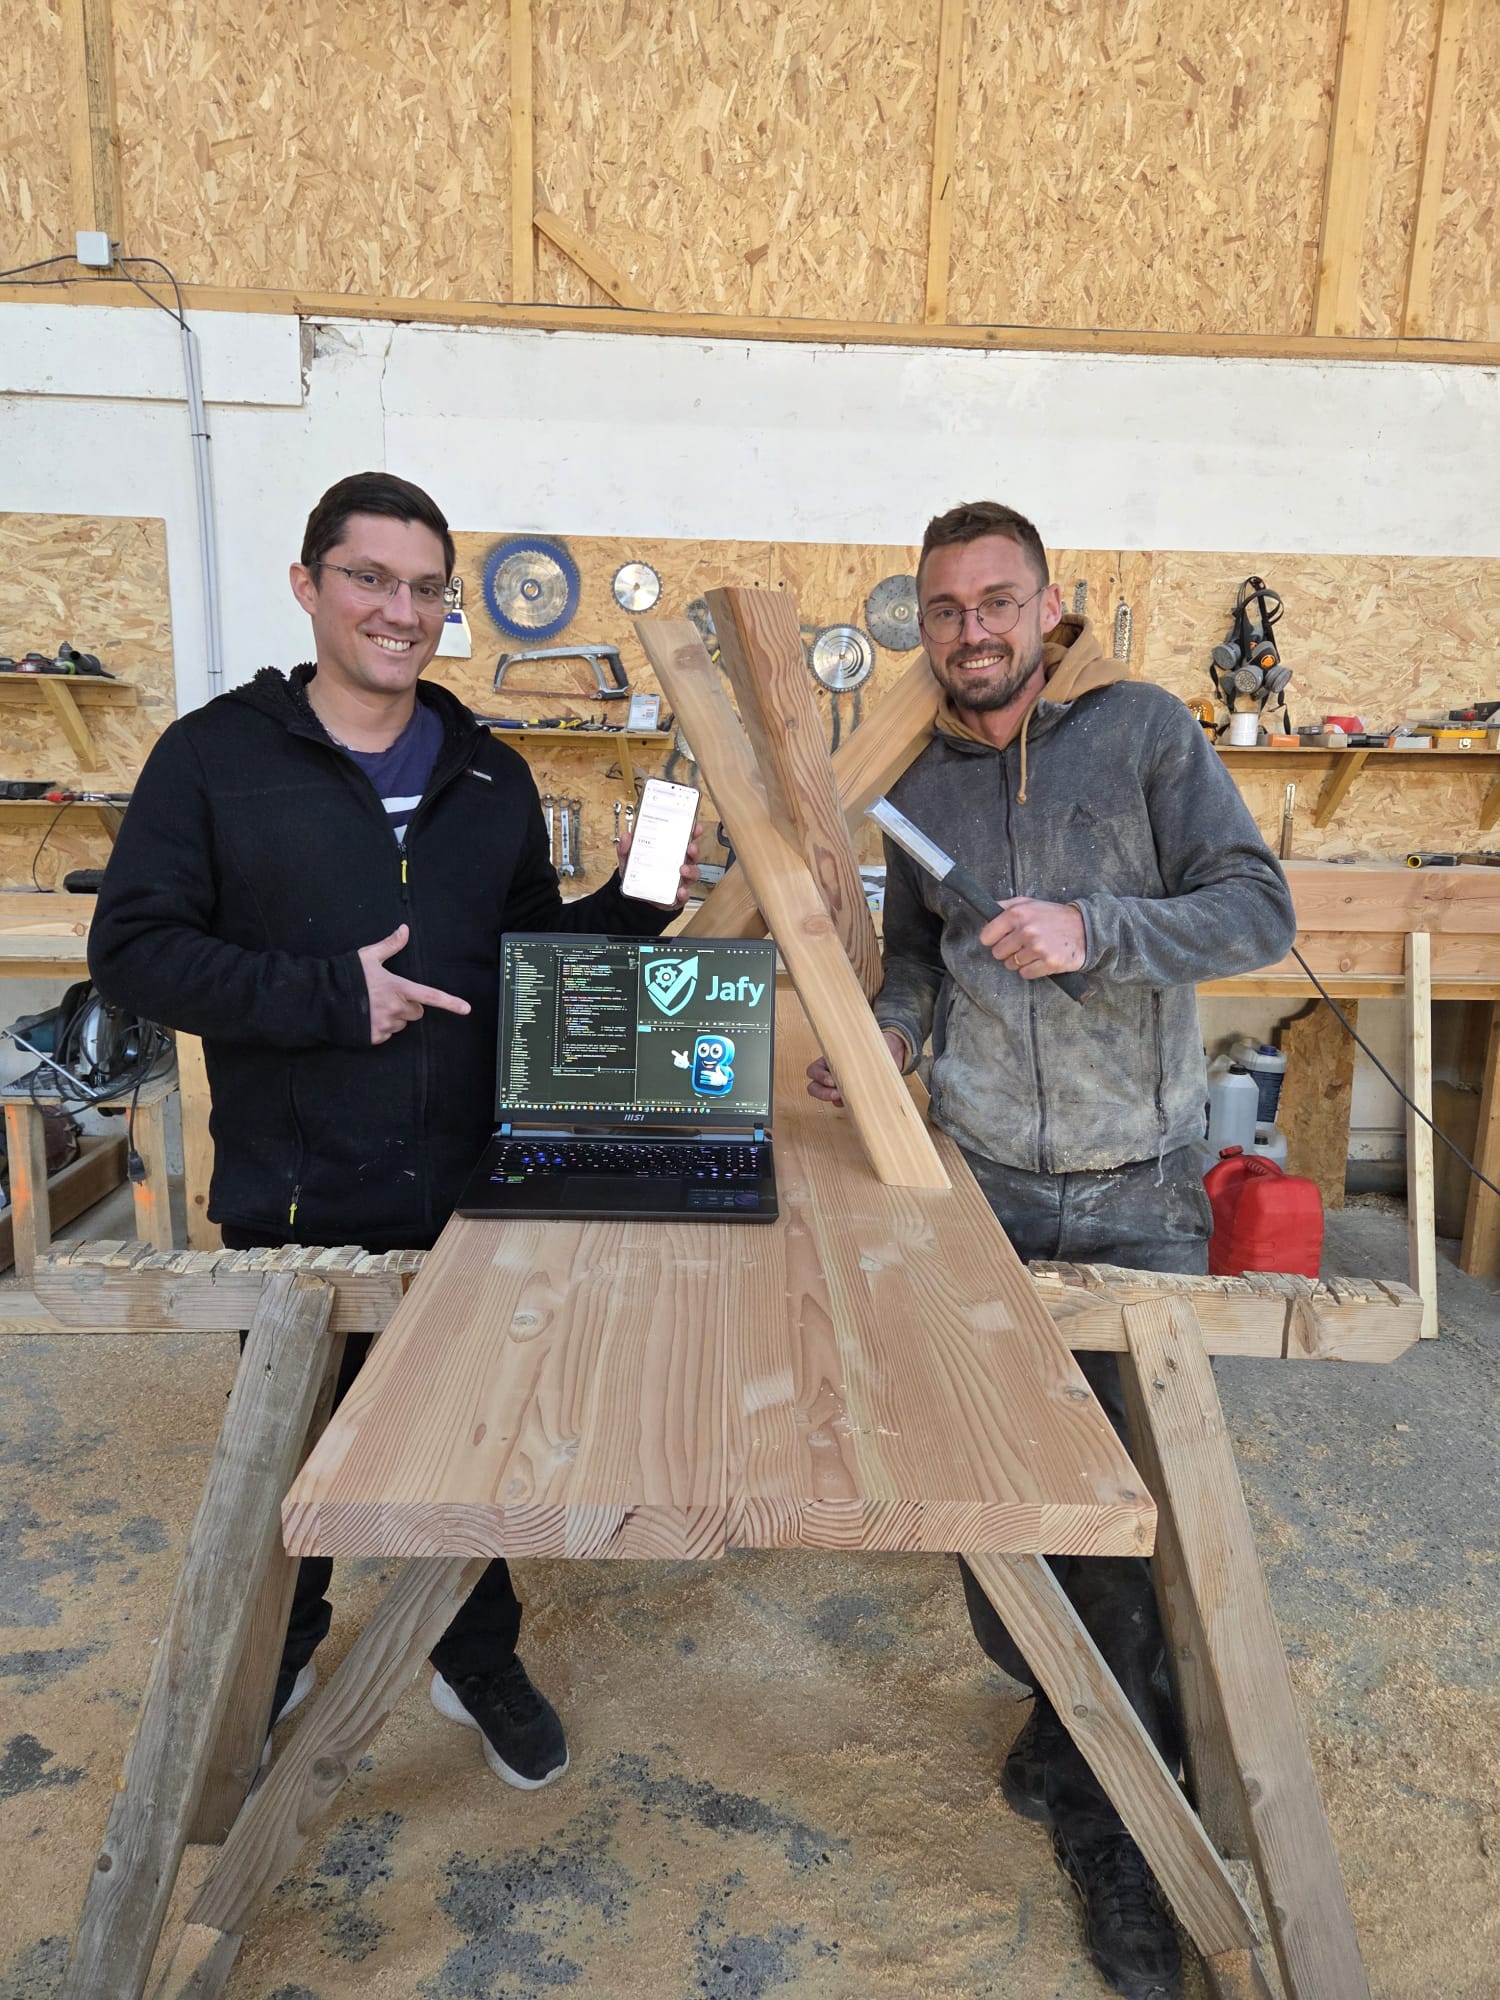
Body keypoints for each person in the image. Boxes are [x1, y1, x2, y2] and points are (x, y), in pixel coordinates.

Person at [89, 471, 699, 1792]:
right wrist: (322, 998)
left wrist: (638, 909)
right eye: (371, 579)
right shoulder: (214, 759)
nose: (400, 610)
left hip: (466, 1198)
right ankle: (286, 1649)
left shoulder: (489, 773)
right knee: (296, 1472)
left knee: (467, 1451)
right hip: (295, 1199)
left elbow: (528, 956)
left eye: (426, 588)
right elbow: (135, 951)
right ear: (310, 587)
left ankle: (470, 1655)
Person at [808, 500, 1295, 2000]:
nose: (974, 632)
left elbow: (1256, 911)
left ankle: (1122, 1835)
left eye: (998, 602)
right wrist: (878, 1043)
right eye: (946, 609)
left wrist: (1096, 929)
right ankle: (1066, 1707)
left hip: (1138, 1194)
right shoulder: (919, 786)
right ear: (924, 627)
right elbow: (917, 974)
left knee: (1126, 1523)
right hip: (982, 1198)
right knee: (991, 1505)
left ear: (1049, 605)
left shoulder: (1142, 733)